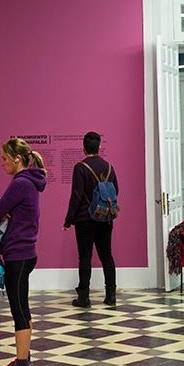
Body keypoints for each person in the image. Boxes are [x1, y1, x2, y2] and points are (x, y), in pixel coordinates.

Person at [0, 137, 47, 366]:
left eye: (4, 158)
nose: (1, 163)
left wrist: (1, 211)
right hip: (25, 253)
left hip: (18, 255)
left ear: (17, 159)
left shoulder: (20, 183)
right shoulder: (29, 181)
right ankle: (24, 360)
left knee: (19, 312)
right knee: (23, 308)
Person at [64, 131, 118, 308]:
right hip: (105, 217)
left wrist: (68, 220)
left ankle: (84, 298)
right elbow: (116, 191)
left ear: (84, 148)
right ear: (99, 147)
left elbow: (76, 196)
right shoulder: (109, 167)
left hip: (84, 219)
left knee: (85, 257)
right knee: (106, 256)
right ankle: (111, 296)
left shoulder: (80, 167)